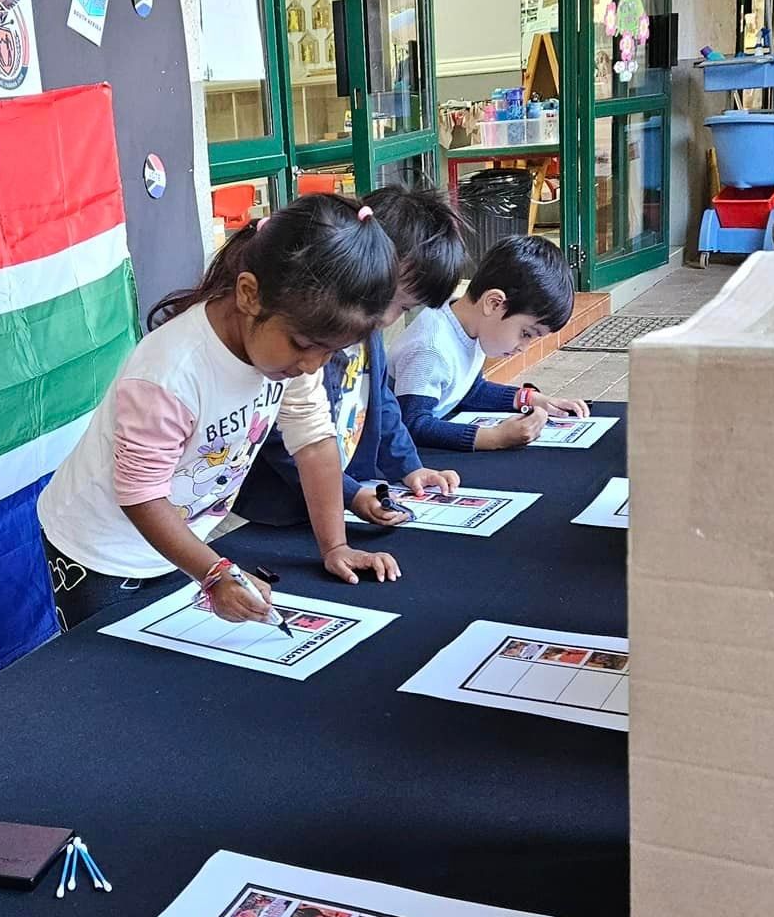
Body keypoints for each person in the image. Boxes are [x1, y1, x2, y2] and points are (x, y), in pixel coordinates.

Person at [37, 194, 402, 630]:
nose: (312, 366)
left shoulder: (291, 350)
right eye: (306, 347)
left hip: (179, 537)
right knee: (114, 673)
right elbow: (140, 493)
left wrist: (335, 546)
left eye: (330, 352)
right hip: (100, 550)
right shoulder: (171, 371)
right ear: (249, 295)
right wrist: (214, 574)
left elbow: (314, 440)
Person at [236, 185, 468, 532]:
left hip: (343, 500)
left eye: (403, 308)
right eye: (392, 301)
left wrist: (409, 467)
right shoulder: (303, 344)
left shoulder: (365, 333)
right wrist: (348, 494)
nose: (387, 318)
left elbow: (381, 402)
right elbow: (282, 436)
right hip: (279, 511)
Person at [390, 234, 579, 453]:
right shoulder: (431, 349)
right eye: (526, 333)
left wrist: (528, 398)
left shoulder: (470, 328)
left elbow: (470, 390)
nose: (523, 347)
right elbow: (413, 424)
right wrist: (494, 437)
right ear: (494, 303)